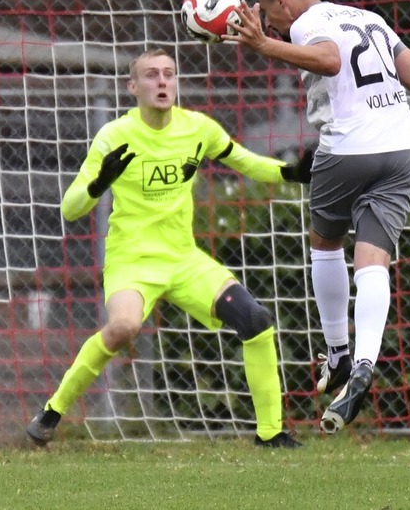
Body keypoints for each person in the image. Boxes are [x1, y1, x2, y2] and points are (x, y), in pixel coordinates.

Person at [26, 48, 312, 448]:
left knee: (256, 319)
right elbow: (70, 208)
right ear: (133, 87)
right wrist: (96, 184)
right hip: (132, 262)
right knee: (123, 327)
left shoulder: (198, 128)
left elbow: (245, 162)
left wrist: (289, 173)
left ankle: (271, 433)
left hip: (184, 259)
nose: (162, 81)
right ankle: (53, 411)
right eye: (151, 75)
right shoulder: (114, 136)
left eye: (169, 74)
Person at [224, 0, 410, 433]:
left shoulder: (306, 24)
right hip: (400, 147)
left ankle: (338, 354)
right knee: (373, 262)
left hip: (347, 147)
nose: (268, 23)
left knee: (324, 245)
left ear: (281, 0)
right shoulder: (369, 19)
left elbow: (330, 60)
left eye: (266, 13)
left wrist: (265, 44)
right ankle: (364, 365)